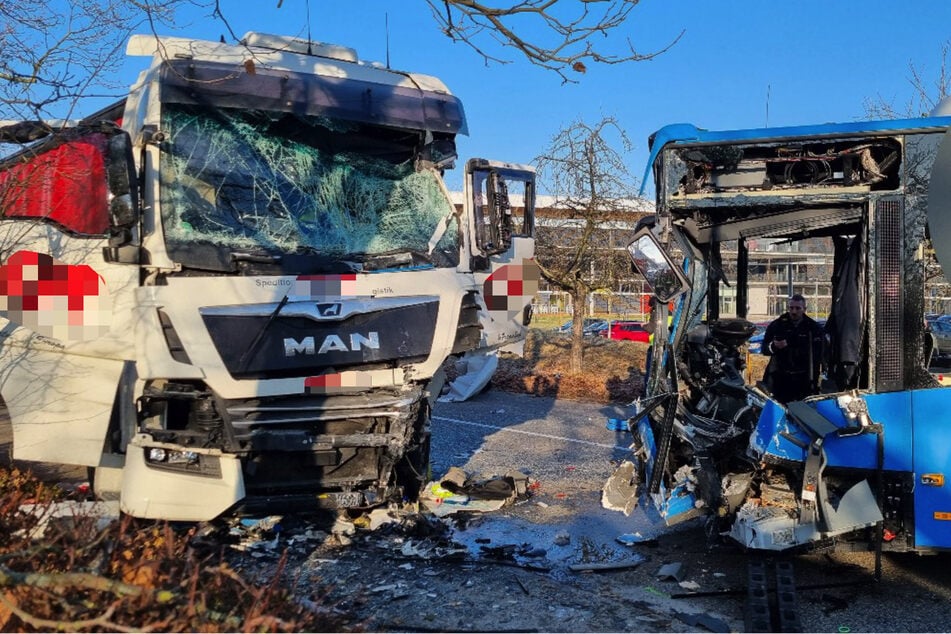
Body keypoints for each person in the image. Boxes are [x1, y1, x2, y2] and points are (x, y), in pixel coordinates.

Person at [761, 294, 824, 403]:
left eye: (798, 308)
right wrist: (774, 346)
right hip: (780, 378)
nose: (794, 312)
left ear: (804, 309)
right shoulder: (777, 325)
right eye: (791, 308)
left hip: (804, 378)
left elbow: (818, 354)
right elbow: (764, 348)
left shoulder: (812, 328)